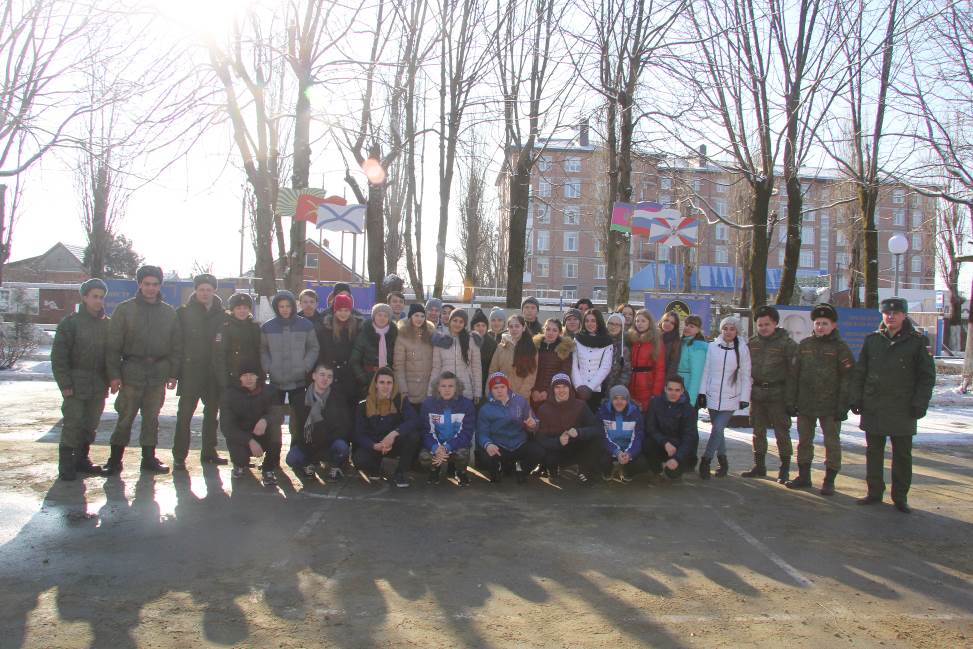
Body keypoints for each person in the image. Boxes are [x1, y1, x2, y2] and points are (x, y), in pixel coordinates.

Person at [850, 297, 935, 513]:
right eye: (887, 313)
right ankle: (874, 492)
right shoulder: (872, 340)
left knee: (902, 455)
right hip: (874, 406)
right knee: (873, 452)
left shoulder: (917, 342)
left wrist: (920, 403)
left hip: (903, 407)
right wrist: (856, 398)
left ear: (904, 315)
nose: (891, 316)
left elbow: (926, 377)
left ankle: (900, 497)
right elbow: (860, 372)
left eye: (896, 313)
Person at [104, 265, 182, 475]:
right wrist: (114, 375)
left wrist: (173, 373)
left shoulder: (168, 313)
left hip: (157, 373)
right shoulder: (125, 310)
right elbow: (112, 346)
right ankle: (114, 460)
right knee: (125, 417)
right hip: (131, 372)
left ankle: (149, 459)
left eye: (155, 284)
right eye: (147, 284)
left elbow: (176, 346)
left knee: (152, 419)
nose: (150, 288)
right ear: (139, 284)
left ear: (160, 286)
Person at [785, 303, 854, 495]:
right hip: (805, 403)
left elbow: (848, 378)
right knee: (804, 441)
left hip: (830, 406)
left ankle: (829, 480)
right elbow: (793, 375)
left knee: (832, 443)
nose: (820, 327)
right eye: (817, 323)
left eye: (825, 323)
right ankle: (804, 476)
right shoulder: (804, 345)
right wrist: (791, 401)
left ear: (833, 325)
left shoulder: (840, 348)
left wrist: (843, 405)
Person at [51, 278, 111, 480]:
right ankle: (66, 464)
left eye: (101, 297)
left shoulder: (107, 324)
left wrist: (112, 378)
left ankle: (82, 459)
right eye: (94, 296)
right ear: (84, 297)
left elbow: (112, 355)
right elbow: (59, 357)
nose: (98, 301)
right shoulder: (70, 324)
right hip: (76, 383)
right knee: (73, 423)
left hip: (98, 384)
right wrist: (65, 384)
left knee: (90, 424)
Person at [173, 274, 227, 471]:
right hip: (190, 372)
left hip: (213, 374)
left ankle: (209, 453)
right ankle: (179, 456)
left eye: (208, 290)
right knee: (184, 416)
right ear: (195, 290)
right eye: (201, 289)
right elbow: (176, 344)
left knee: (211, 416)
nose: (205, 293)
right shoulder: (183, 313)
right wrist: (174, 373)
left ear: (214, 291)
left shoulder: (223, 315)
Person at [744, 305, 797, 483]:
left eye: (767, 324)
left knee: (782, 432)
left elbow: (794, 373)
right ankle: (759, 466)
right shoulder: (752, 343)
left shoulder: (787, 344)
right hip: (757, 394)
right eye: (760, 325)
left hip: (778, 394)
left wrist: (791, 399)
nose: (763, 328)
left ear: (775, 323)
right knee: (757, 431)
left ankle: (784, 469)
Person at [261, 290, 319, 445]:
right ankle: (273, 454)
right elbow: (263, 350)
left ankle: (296, 450)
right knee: (274, 418)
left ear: (293, 306)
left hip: (298, 380)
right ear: (276, 308)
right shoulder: (268, 327)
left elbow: (313, 347)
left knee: (298, 418)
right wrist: (268, 367)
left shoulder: (305, 325)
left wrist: (305, 366)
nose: (285, 309)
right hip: (276, 381)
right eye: (281, 306)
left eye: (288, 306)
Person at [697, 316, 751, 479]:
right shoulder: (712, 347)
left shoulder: (742, 349)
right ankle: (723, 461)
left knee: (717, 428)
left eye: (732, 329)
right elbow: (706, 370)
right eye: (725, 328)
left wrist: (745, 397)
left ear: (737, 331)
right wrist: (702, 393)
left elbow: (746, 375)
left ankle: (706, 460)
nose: (728, 332)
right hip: (712, 395)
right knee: (718, 431)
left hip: (731, 397)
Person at [352, 367, 420, 488]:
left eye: (389, 383)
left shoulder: (400, 400)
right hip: (375, 445)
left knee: (413, 436)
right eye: (382, 382)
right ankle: (375, 467)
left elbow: (414, 420)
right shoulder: (364, 404)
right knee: (359, 460)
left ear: (394, 384)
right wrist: (374, 445)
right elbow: (359, 434)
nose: (385, 386)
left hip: (394, 443)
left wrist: (394, 433)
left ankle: (400, 472)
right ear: (376, 384)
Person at [285, 363, 351, 482]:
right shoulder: (299, 399)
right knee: (292, 458)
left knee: (342, 447)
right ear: (314, 376)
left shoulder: (338, 399)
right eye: (322, 375)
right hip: (307, 443)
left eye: (329, 376)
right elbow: (295, 428)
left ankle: (335, 466)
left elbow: (343, 426)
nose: (325, 379)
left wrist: (326, 441)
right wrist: (306, 445)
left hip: (329, 443)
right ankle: (307, 464)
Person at [219, 361, 281, 485]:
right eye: (245, 375)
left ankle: (268, 469)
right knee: (240, 456)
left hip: (262, 434)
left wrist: (265, 420)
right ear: (239, 377)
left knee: (275, 430)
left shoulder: (269, 391)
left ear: (257, 376)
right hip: (242, 437)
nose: (249, 378)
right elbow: (227, 427)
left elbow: (279, 415)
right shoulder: (230, 394)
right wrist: (249, 440)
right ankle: (239, 465)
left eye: (252, 375)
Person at [534, 374, 602, 484]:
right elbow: (540, 438)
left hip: (576, 445)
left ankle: (584, 470)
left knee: (597, 440)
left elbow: (596, 428)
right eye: (557, 387)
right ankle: (554, 470)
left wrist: (579, 432)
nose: (561, 390)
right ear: (552, 389)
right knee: (545, 454)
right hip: (556, 448)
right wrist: (558, 441)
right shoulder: (543, 409)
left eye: (565, 387)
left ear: (570, 388)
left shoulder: (581, 405)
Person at [476, 372, 542, 483]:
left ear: (507, 387)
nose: (499, 390)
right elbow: (481, 433)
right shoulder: (485, 409)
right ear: (491, 390)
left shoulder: (520, 401)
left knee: (538, 451)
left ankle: (521, 469)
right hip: (499, 446)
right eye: (495, 388)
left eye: (502, 387)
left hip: (519, 443)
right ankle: (498, 468)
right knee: (484, 456)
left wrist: (533, 424)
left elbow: (534, 421)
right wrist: (488, 444)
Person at [419, 372, 476, 486]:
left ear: (457, 388)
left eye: (451, 386)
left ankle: (460, 471)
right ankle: (434, 469)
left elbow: (466, 433)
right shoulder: (428, 404)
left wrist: (447, 447)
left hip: (456, 445)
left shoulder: (467, 405)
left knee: (463, 453)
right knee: (424, 457)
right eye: (443, 386)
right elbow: (426, 431)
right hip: (437, 445)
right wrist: (436, 448)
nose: (447, 389)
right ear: (437, 388)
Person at [644, 376, 699, 480]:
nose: (673, 393)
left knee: (673, 474)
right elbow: (650, 427)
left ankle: (673, 466)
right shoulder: (655, 403)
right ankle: (657, 471)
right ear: (665, 389)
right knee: (648, 443)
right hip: (661, 444)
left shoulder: (689, 410)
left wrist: (677, 458)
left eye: (677, 390)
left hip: (679, 448)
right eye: (670, 389)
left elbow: (689, 437)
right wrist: (665, 442)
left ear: (682, 391)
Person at [317, 292, 361, 408]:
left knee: (350, 408)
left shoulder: (357, 328)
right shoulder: (326, 329)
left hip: (350, 375)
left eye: (346, 310)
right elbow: (321, 353)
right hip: (330, 374)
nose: (343, 313)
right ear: (335, 310)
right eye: (340, 310)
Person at [430, 308, 482, 403]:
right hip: (445, 389)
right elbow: (436, 368)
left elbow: (476, 368)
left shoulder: (472, 340)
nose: (457, 324)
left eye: (461, 322)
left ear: (464, 324)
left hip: (466, 389)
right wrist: (430, 392)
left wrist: (477, 392)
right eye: (455, 320)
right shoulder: (440, 340)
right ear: (450, 321)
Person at [595, 385, 645, 482]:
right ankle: (608, 471)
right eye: (615, 398)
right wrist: (616, 452)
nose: (619, 402)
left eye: (623, 399)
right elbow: (603, 437)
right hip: (610, 450)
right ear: (611, 399)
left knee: (642, 464)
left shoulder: (635, 413)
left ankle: (627, 471)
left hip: (628, 449)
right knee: (601, 461)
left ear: (627, 400)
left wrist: (629, 453)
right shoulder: (602, 412)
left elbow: (638, 437)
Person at [214, 292, 262, 391]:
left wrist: (260, 375)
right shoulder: (225, 327)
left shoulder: (254, 326)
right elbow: (219, 354)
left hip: (251, 376)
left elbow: (259, 351)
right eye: (238, 308)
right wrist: (223, 379)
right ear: (233, 310)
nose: (242, 311)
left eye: (245, 308)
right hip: (232, 376)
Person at [350, 303, 398, 397]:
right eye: (379, 315)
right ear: (374, 316)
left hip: (388, 381)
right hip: (368, 379)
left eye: (385, 316)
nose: (382, 318)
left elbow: (396, 359)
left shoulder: (394, 334)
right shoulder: (364, 334)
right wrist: (363, 378)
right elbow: (354, 360)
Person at [393, 303, 435, 407]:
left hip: (428, 390)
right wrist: (403, 390)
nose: (419, 319)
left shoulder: (430, 334)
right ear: (410, 317)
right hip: (410, 390)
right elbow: (398, 366)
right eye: (416, 315)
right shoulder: (402, 336)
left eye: (422, 316)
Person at [573, 309, 615, 411]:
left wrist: (590, 387)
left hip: (597, 389)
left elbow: (605, 367)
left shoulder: (607, 341)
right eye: (587, 321)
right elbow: (573, 365)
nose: (590, 324)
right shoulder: (577, 339)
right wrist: (579, 386)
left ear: (598, 322)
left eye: (593, 321)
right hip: (578, 389)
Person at [488, 314, 538, 399]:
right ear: (508, 329)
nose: (514, 329)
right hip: (501, 396)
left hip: (521, 398)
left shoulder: (532, 349)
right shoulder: (501, 347)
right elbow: (493, 371)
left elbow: (531, 376)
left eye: (517, 326)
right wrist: (491, 392)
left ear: (523, 328)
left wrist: (519, 397)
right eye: (511, 326)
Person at [530, 318, 574, 410]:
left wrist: (548, 391)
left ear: (560, 332)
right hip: (532, 391)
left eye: (554, 330)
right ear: (543, 330)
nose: (550, 333)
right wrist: (533, 390)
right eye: (548, 329)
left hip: (553, 393)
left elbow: (564, 373)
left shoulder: (565, 349)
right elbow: (529, 370)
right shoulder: (534, 346)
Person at [626, 309, 666, 411]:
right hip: (631, 383)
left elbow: (660, 369)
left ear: (649, 322)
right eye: (637, 321)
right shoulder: (632, 339)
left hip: (647, 385)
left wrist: (656, 392)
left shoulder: (656, 341)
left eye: (643, 321)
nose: (639, 324)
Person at [676, 315, 708, 408]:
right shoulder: (682, 342)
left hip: (687, 390)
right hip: (676, 388)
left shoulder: (697, 347)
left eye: (692, 326)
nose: (687, 328)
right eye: (686, 325)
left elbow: (696, 376)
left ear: (698, 330)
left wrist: (690, 401)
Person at [471, 308, 497, 397]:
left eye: (483, 325)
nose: (481, 328)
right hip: (469, 382)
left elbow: (494, 366)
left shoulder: (492, 343)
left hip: (486, 382)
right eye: (477, 325)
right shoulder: (467, 341)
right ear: (473, 327)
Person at [603, 313, 631, 397]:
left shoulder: (624, 347)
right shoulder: (600, 342)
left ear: (622, 327)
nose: (613, 327)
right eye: (611, 323)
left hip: (614, 389)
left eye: (617, 324)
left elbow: (626, 371)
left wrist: (618, 388)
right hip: (597, 387)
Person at [659, 311, 682, 379]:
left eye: (672, 323)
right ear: (662, 321)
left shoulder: (676, 342)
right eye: (666, 320)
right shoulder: (653, 336)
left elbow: (673, 366)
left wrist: (666, 382)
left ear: (675, 327)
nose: (668, 324)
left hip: (664, 379)